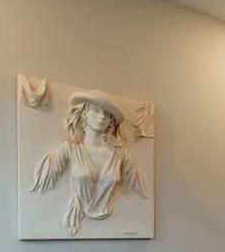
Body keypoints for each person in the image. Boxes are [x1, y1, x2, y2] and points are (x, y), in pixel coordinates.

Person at [32, 90, 145, 236]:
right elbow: (41, 185)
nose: (101, 117)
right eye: (96, 110)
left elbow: (136, 191)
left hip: (110, 228)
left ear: (111, 121)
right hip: (76, 224)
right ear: (85, 113)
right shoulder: (69, 148)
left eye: (107, 114)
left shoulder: (119, 154)